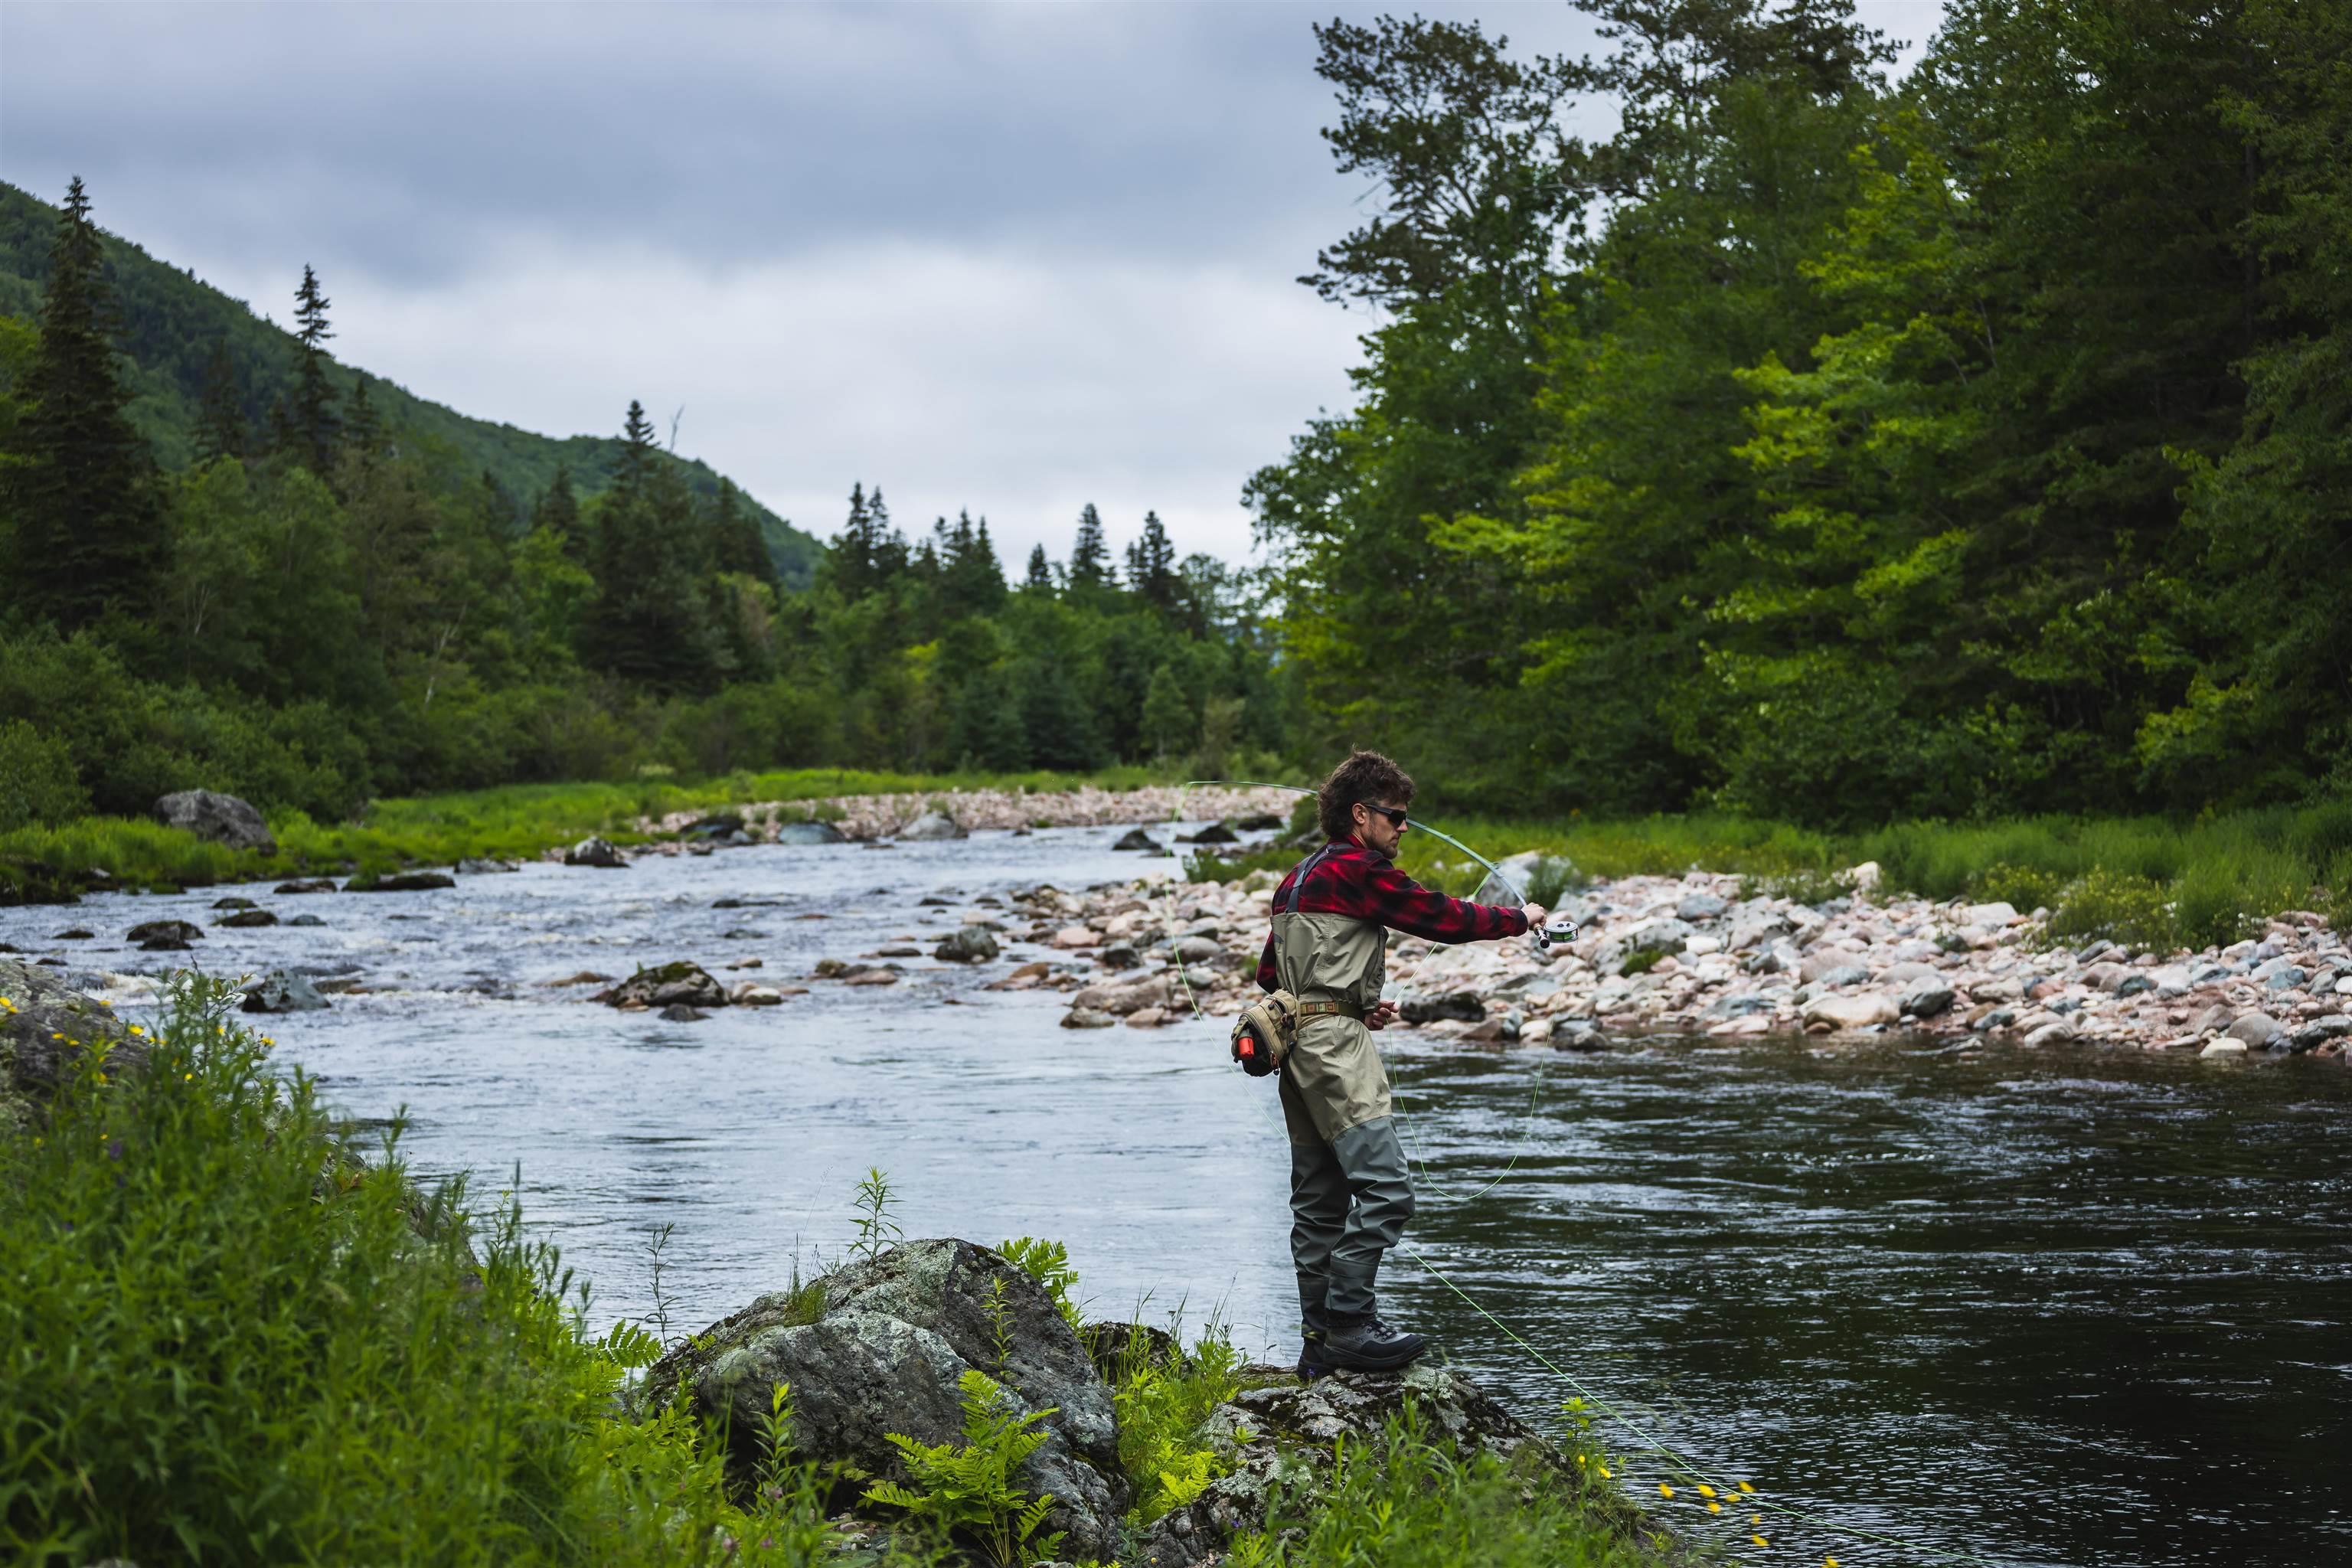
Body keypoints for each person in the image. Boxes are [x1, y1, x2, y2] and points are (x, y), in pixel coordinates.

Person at [1255, 750, 1545, 1377]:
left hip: (1296, 1052)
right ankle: (1352, 1325)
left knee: (1318, 1203)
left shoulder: (1297, 878)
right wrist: (1517, 920)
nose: (1403, 828)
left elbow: (1271, 974)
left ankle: (1316, 1345)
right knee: (1387, 1190)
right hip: (1335, 1056)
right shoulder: (1361, 869)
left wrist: (1349, 1005)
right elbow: (1436, 916)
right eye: (1395, 816)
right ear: (1360, 814)